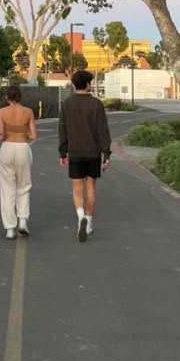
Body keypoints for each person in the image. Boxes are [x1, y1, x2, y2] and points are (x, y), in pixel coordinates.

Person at [58, 70, 112, 242]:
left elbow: (63, 130)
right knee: (91, 188)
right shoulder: (96, 104)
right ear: (88, 84)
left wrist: (63, 151)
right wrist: (106, 153)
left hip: (75, 152)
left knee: (76, 189)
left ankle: (80, 215)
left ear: (74, 84)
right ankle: (88, 223)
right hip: (93, 152)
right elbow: (102, 130)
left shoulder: (66, 104)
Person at [0, 85, 37, 239]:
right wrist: (22, 132)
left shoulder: (2, 112)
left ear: (7, 97)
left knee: (7, 189)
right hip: (23, 148)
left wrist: (9, 132)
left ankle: (9, 229)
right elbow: (33, 135)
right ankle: (22, 221)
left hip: (7, 148)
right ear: (20, 96)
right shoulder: (28, 112)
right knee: (24, 186)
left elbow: (0, 135)